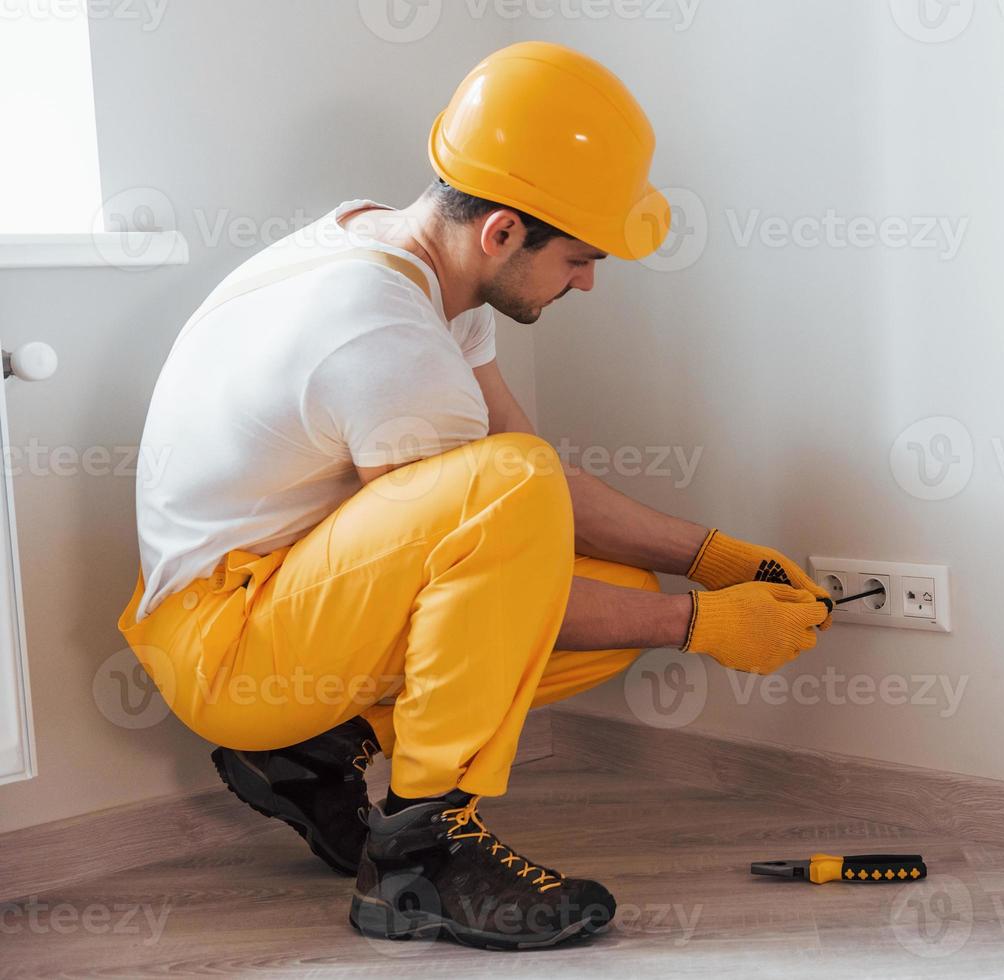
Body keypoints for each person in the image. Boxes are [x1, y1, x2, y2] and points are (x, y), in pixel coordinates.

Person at [117, 41, 831, 952]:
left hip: (260, 604)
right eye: (577, 258)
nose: (588, 281)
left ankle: (311, 751)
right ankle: (424, 855)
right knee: (525, 503)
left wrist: (707, 558)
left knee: (574, 537)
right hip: (232, 651)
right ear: (502, 232)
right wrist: (705, 627)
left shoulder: (405, 258)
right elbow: (506, 515)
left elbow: (529, 493)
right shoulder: (384, 336)